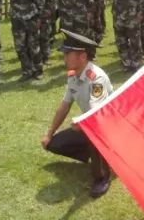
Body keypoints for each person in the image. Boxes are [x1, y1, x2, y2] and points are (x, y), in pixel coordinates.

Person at [41, 30, 113, 198]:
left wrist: (81, 123)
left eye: (68, 54)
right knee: (54, 144)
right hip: (89, 125)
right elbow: (65, 106)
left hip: (105, 128)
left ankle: (102, 176)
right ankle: (94, 155)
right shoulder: (73, 75)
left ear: (82, 57)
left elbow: (96, 114)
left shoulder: (97, 79)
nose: (64, 58)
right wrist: (49, 134)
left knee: (94, 135)